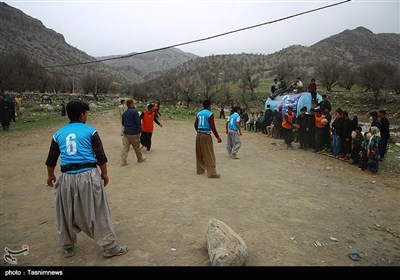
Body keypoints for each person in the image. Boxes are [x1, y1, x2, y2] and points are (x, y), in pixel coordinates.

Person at [45, 100, 127, 259]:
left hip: (66, 177)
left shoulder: (59, 134)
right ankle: (109, 246)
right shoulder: (91, 132)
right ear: (82, 115)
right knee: (98, 210)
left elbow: (51, 159)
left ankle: (68, 245)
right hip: (88, 175)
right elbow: (101, 156)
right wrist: (104, 173)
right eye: (86, 113)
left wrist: (50, 176)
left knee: (65, 212)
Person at [194, 99, 222, 178]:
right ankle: (212, 173)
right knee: (209, 153)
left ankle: (200, 170)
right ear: (209, 105)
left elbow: (195, 124)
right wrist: (218, 137)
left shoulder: (199, 113)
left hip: (199, 134)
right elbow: (213, 127)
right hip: (206, 135)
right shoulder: (210, 114)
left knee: (199, 153)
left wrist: (199, 131)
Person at [121, 99, 146, 165]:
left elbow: (123, 123)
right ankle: (139, 159)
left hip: (126, 132)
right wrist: (139, 130)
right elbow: (138, 122)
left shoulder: (125, 113)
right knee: (136, 147)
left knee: (125, 147)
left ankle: (123, 161)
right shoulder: (134, 112)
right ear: (131, 104)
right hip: (133, 132)